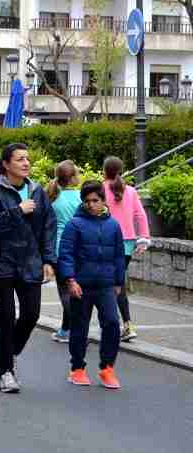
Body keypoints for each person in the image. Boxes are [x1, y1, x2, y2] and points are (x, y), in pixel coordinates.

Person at [0, 143, 56, 394]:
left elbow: (48, 227)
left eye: (28, 159)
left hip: (30, 261)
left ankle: (8, 351)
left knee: (31, 314)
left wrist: (49, 260)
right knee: (6, 316)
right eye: (20, 159)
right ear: (6, 165)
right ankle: (5, 372)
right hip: (0, 262)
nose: (26, 163)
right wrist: (16, 211)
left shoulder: (37, 192)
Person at [58, 180, 125, 389]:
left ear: (103, 201)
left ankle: (107, 368)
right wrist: (70, 280)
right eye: (87, 201)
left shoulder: (113, 226)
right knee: (80, 327)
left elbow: (119, 256)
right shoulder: (74, 225)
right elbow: (66, 254)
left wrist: (118, 281)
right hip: (81, 285)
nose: (91, 204)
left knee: (112, 324)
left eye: (95, 200)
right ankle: (77, 368)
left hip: (105, 284)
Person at [103, 156, 150, 342]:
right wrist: (144, 238)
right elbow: (140, 215)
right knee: (118, 283)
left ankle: (114, 324)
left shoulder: (100, 189)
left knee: (109, 284)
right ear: (122, 170)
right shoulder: (130, 191)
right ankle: (126, 324)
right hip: (127, 243)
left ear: (105, 171)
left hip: (105, 241)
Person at [46, 160, 82, 344]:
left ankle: (72, 329)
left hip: (60, 250)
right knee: (74, 290)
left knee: (65, 293)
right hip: (79, 249)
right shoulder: (82, 198)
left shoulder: (53, 199)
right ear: (75, 177)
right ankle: (66, 329)